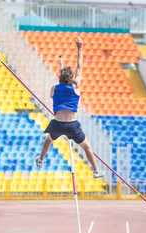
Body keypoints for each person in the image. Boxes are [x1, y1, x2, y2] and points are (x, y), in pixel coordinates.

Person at [35, 37, 105, 178]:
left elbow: (52, 95)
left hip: (58, 124)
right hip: (72, 125)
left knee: (49, 140)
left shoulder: (54, 88)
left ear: (60, 78)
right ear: (71, 78)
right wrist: (80, 48)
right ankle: (96, 171)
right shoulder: (76, 86)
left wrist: (61, 80)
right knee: (86, 147)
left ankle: (41, 160)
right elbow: (79, 67)